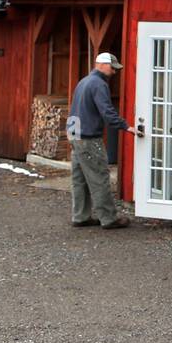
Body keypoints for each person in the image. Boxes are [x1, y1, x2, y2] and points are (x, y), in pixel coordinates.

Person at [67, 52, 137, 229]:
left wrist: (72, 135)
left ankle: (80, 216)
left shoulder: (83, 82)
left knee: (79, 179)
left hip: (75, 134)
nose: (114, 71)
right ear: (102, 65)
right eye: (112, 67)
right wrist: (125, 126)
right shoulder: (99, 84)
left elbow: (74, 109)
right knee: (99, 177)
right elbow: (107, 111)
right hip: (89, 138)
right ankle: (109, 218)